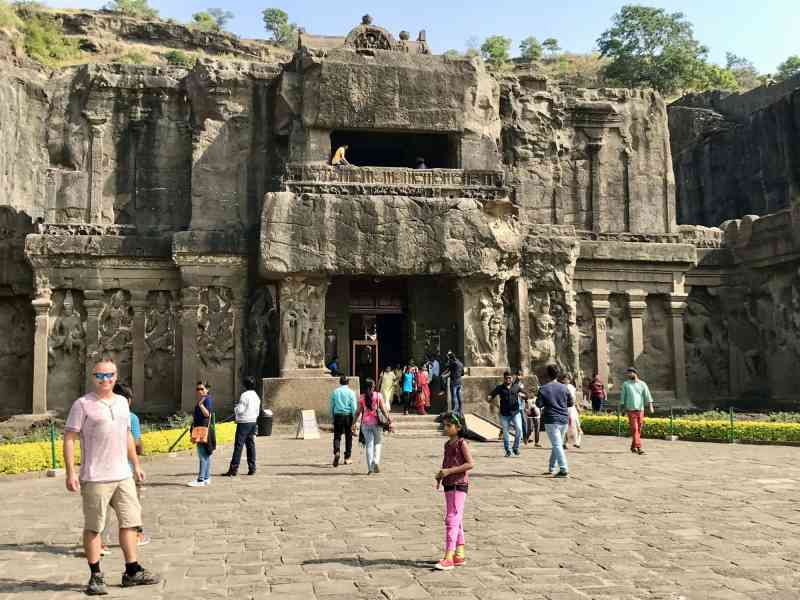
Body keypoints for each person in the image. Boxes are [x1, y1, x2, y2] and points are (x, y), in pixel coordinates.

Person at [63, 358, 160, 595]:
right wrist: (71, 471)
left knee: (130, 522)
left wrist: (136, 465)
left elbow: (127, 435)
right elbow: (69, 438)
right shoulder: (82, 404)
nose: (104, 379)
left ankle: (132, 570)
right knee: (94, 526)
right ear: (93, 377)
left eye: (109, 375)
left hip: (122, 474)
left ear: (115, 377)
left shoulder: (122, 403)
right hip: (96, 476)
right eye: (100, 375)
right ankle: (96, 574)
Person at [434, 413, 475, 571]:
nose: (445, 428)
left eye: (448, 425)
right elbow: (446, 463)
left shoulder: (461, 443)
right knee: (456, 518)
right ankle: (459, 554)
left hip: (459, 484)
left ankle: (448, 556)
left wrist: (449, 471)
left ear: (458, 427)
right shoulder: (447, 444)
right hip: (449, 484)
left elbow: (470, 464)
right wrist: (441, 475)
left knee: (451, 518)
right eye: (444, 425)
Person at [112, 383, 150, 546]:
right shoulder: (131, 417)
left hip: (103, 471)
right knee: (132, 506)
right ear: (127, 400)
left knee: (102, 509)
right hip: (125, 470)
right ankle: (137, 535)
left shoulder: (100, 415)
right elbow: (136, 444)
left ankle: (98, 543)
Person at [536, 364, 572, 477]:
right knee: (558, 444)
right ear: (558, 374)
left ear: (547, 375)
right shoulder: (564, 387)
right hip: (564, 419)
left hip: (551, 419)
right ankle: (551, 467)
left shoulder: (543, 388)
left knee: (557, 444)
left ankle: (563, 469)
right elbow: (570, 403)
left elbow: (539, 404)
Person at [222, 376, 260, 476]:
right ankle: (252, 467)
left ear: (244, 385)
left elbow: (240, 410)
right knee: (251, 445)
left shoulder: (244, 395)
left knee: (239, 445)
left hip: (244, 422)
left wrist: (236, 408)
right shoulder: (256, 395)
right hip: (253, 421)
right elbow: (257, 410)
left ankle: (233, 469)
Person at [353, 378, 389, 474]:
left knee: (369, 444)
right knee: (377, 443)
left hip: (365, 424)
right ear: (373, 387)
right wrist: (389, 420)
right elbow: (384, 409)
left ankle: (370, 468)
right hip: (376, 423)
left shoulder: (362, 397)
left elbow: (357, 412)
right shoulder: (378, 396)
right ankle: (375, 461)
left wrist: (353, 423)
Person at [488, 372, 524, 457]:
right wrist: (489, 397)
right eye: (506, 378)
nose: (508, 379)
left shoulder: (516, 387)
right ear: (504, 379)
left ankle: (515, 447)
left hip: (515, 413)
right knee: (505, 432)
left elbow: (525, 394)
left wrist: (524, 396)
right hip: (504, 414)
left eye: (509, 378)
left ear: (512, 378)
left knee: (519, 429)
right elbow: (492, 394)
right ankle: (508, 450)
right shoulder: (500, 388)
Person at [621, 366, 655, 454]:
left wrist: (651, 406)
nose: (628, 375)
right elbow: (623, 397)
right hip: (630, 409)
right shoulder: (626, 384)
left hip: (640, 409)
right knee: (635, 428)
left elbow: (647, 395)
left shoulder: (642, 384)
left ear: (635, 373)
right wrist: (623, 408)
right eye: (628, 373)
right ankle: (639, 447)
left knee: (639, 429)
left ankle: (633, 447)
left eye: (630, 373)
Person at [188, 382, 215, 487]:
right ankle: (207, 477)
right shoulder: (204, 399)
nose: (200, 391)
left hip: (202, 430)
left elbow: (207, 414)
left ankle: (201, 479)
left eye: (202, 389)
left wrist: (200, 405)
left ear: (207, 389)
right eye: (198, 389)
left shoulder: (206, 399)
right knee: (206, 454)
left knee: (202, 454)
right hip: (201, 429)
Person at [330, 375, 357, 467]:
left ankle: (337, 451)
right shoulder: (351, 392)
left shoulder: (335, 392)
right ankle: (347, 457)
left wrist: (332, 417)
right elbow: (354, 407)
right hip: (348, 416)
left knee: (337, 436)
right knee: (349, 437)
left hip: (338, 416)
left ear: (340, 382)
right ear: (347, 383)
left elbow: (332, 405)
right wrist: (354, 419)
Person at [560, 373, 583, 449]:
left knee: (575, 424)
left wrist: (577, 406)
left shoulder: (572, 387)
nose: (566, 380)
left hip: (571, 409)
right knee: (565, 426)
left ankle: (577, 442)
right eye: (565, 379)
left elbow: (574, 399)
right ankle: (564, 442)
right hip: (564, 408)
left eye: (567, 379)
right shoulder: (561, 387)